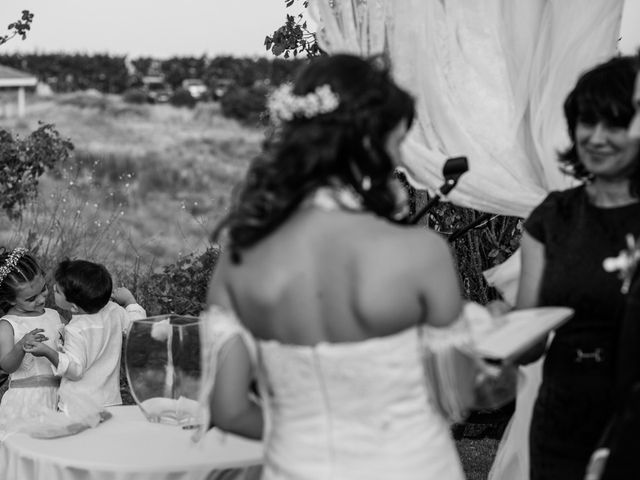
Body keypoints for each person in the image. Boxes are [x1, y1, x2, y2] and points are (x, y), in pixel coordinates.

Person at [196, 53, 512, 479]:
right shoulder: (419, 253)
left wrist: (304, 434)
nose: (400, 158)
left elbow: (228, 409)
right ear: (366, 143)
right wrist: (498, 360)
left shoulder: (239, 259)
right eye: (397, 141)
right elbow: (454, 397)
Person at [511, 56, 640, 480]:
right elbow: (529, 340)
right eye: (587, 121)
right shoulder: (553, 218)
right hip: (561, 420)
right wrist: (498, 331)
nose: (597, 137)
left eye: (616, 123)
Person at [25, 259, 146, 411]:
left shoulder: (76, 330)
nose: (54, 288)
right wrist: (130, 301)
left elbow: (74, 370)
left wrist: (47, 352)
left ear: (74, 307)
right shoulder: (114, 310)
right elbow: (139, 331)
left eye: (58, 291)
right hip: (110, 400)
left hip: (78, 405)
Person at [0, 247, 63, 423]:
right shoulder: (8, 324)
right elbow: (7, 365)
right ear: (11, 300)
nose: (41, 300)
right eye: (30, 299)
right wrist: (20, 346)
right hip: (26, 401)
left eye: (43, 289)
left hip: (58, 395)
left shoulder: (53, 315)